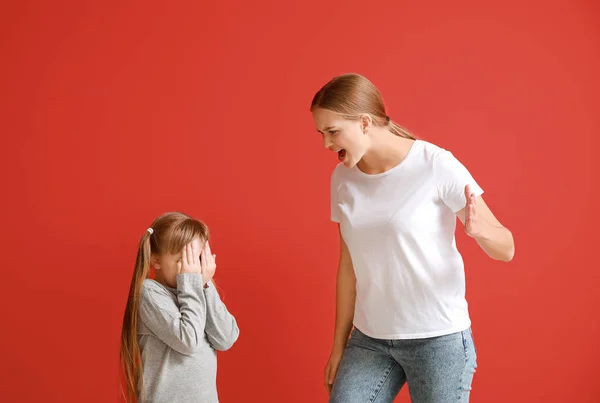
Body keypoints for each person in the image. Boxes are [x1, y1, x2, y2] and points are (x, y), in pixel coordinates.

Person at [311, 73, 515, 403]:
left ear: (364, 122)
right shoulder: (342, 179)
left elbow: (507, 248)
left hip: (438, 339)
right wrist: (339, 347)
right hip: (370, 338)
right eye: (321, 133)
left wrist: (480, 232)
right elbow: (348, 267)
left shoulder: (435, 165)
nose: (325, 144)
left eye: (333, 131)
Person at [120, 212, 239, 403]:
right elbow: (188, 340)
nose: (192, 269)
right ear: (156, 260)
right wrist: (193, 283)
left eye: (197, 259)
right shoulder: (149, 293)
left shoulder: (199, 289)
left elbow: (226, 338)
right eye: (183, 261)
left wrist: (205, 286)